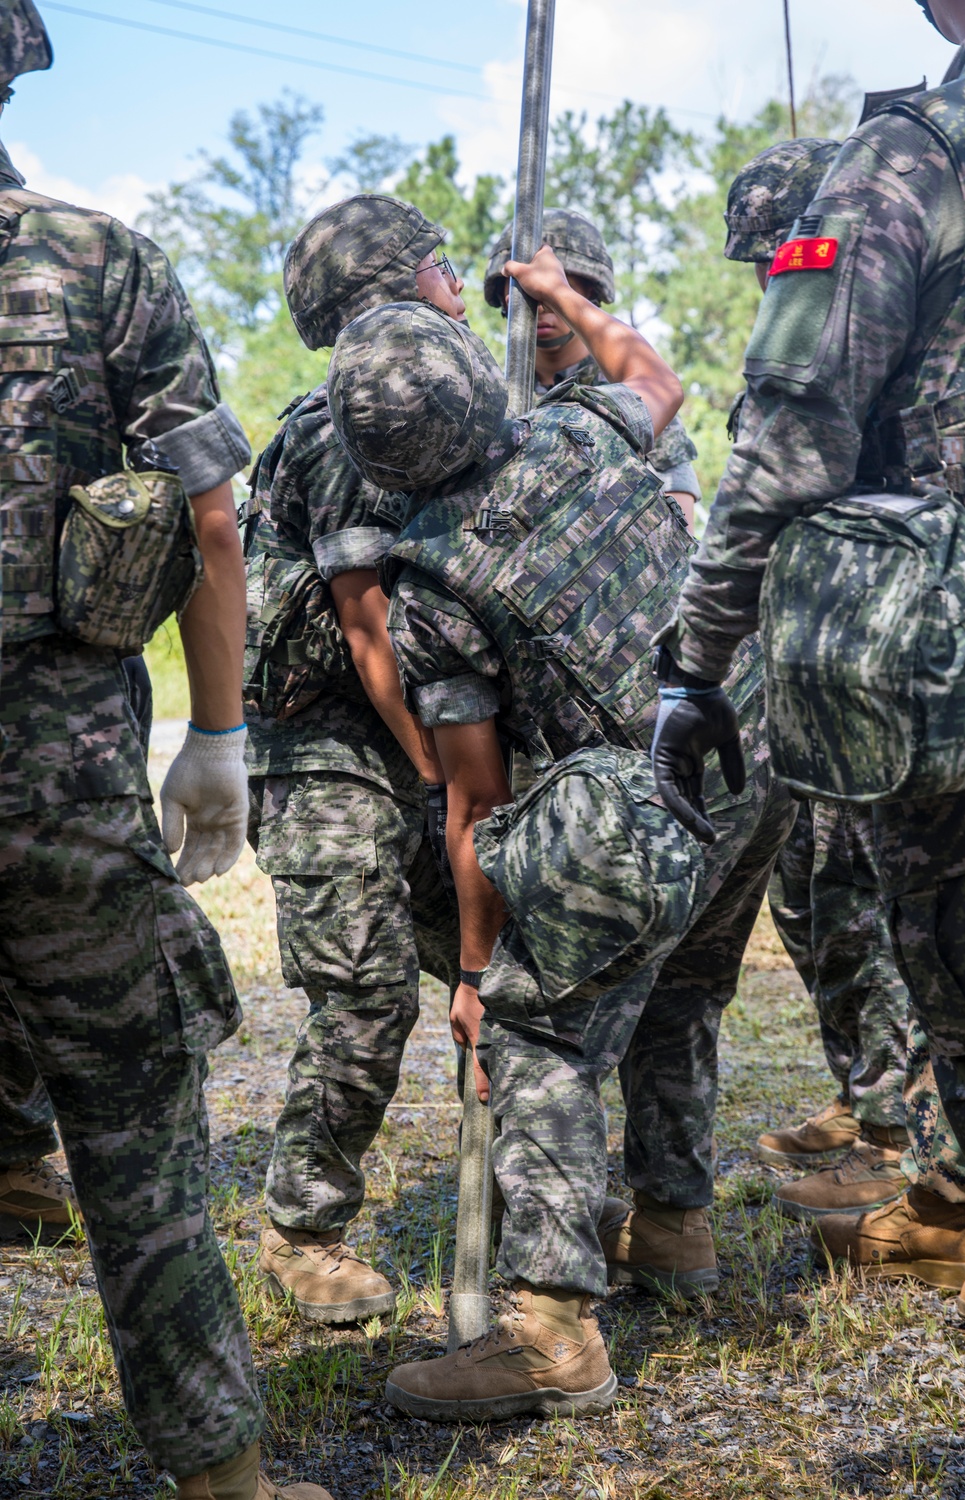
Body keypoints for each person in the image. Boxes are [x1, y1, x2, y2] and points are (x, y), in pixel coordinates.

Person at [327, 247, 795, 1419]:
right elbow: (659, 376)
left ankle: (547, 1336)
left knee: (541, 1029)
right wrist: (562, 294)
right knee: (680, 993)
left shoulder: (431, 592)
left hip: (641, 804)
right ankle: (676, 1227)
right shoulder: (587, 428)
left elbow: (476, 804)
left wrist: (482, 973)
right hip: (747, 756)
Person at [0, 6, 329, 1496]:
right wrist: (219, 732)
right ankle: (224, 1481)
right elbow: (208, 519)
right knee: (136, 1127)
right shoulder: (97, 260)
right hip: (59, 777)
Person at [654, 0, 965, 1326]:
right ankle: (960, 1193)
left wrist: (696, 659)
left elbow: (796, 434)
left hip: (953, 648)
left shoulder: (914, 154)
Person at [724, 135, 965, 1226]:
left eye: (771, 257)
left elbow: (786, 457)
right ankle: (918, 1151)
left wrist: (699, 662)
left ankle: (930, 1164)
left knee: (935, 933)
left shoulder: (903, 226)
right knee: (859, 908)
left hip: (916, 658)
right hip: (866, 671)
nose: (764, 282)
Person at [243, 194, 466, 1326]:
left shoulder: (424, 399)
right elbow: (367, 629)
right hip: (327, 748)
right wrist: (445, 779)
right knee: (367, 993)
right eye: (445, 266)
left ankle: (543, 1212)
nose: (460, 287)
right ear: (395, 287)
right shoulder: (349, 423)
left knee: (496, 966)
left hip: (408, 739)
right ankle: (301, 1229)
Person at [483, 207, 702, 528]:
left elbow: (678, 518)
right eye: (523, 285)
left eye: (555, 285)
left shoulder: (630, 391)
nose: (540, 302)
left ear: (590, 293)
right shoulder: (492, 398)